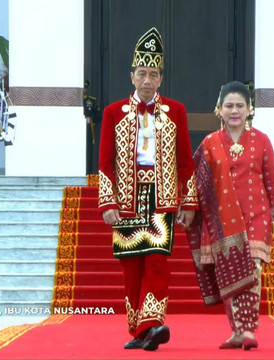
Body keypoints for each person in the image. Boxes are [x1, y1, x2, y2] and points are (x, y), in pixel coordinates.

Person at [97, 27, 198, 351]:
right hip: (126, 198)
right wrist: (107, 202)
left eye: (153, 74)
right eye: (142, 73)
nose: (147, 80)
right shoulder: (113, 113)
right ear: (132, 76)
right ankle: (140, 332)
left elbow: (185, 160)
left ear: (160, 79)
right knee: (131, 265)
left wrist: (189, 201)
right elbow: (105, 162)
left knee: (156, 261)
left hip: (162, 196)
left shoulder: (176, 111)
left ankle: (153, 324)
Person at [186, 81, 274, 350]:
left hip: (257, 216)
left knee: (251, 271)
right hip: (221, 221)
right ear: (219, 109)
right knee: (228, 273)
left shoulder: (261, 141)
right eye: (229, 106)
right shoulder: (209, 143)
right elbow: (196, 181)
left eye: (240, 106)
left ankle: (248, 329)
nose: (234, 111)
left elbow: (272, 181)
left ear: (249, 109)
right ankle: (236, 331)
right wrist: (188, 208)